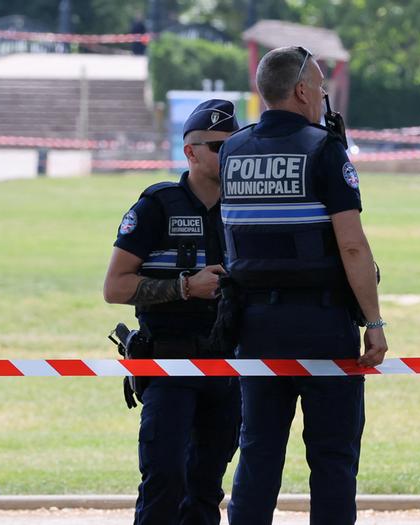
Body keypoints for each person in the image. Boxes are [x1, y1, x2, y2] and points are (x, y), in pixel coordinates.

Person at [219, 46, 387, 525]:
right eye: (318, 87)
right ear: (300, 92)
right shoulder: (323, 148)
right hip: (321, 321)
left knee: (258, 449)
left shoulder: (233, 149)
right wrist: (373, 321)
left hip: (252, 323)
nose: (322, 96)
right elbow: (352, 246)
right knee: (332, 455)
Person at [103, 99, 242, 525]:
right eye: (218, 146)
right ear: (191, 151)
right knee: (164, 480)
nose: (229, 153)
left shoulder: (248, 205)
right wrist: (185, 287)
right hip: (170, 362)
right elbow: (115, 287)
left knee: (205, 487)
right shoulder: (158, 205)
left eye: (235, 144)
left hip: (231, 365)